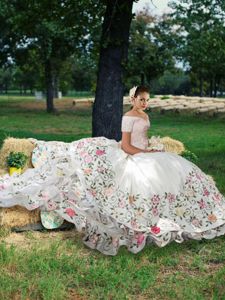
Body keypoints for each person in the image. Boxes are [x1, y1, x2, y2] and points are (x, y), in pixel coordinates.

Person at [0, 85, 225, 256]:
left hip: (141, 152)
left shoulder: (144, 116)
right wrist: (146, 154)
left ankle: (199, 213)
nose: (145, 103)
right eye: (141, 100)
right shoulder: (128, 117)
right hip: (128, 154)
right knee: (134, 178)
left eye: (147, 100)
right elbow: (127, 146)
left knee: (177, 167)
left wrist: (152, 149)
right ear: (133, 99)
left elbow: (142, 141)